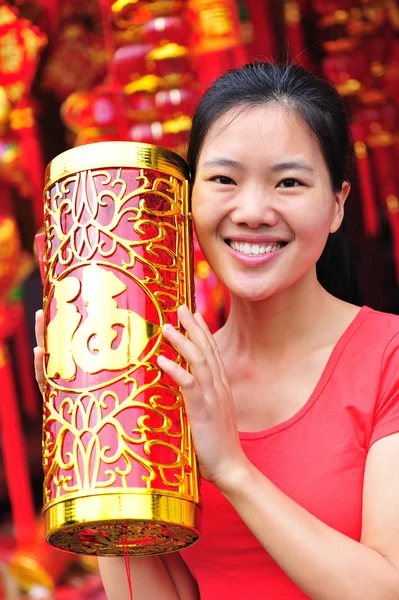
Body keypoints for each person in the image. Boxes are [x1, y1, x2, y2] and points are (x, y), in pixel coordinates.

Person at [34, 62, 399, 599]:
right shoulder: (160, 376)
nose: (252, 211)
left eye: (289, 182)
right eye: (224, 180)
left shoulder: (386, 355)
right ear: (186, 200)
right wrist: (88, 442)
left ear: (338, 203)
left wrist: (232, 468)